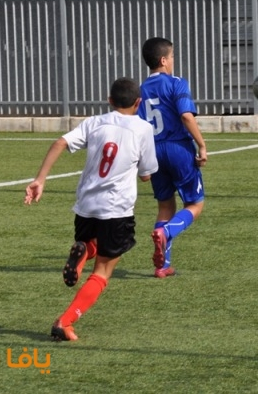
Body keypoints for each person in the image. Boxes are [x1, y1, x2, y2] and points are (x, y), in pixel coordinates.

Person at [24, 77, 158, 341]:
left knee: (92, 243)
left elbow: (60, 142)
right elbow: (146, 175)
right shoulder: (143, 128)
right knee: (102, 272)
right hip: (116, 209)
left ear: (109, 101)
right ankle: (65, 321)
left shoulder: (95, 122)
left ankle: (85, 249)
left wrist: (40, 179)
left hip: (86, 206)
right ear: (139, 103)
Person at [137, 37, 207, 279]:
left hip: (153, 151)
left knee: (165, 205)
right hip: (178, 148)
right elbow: (186, 116)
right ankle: (167, 232)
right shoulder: (176, 83)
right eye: (172, 56)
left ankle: (162, 266)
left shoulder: (140, 90)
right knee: (195, 204)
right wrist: (202, 145)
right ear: (164, 60)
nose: (174, 61)